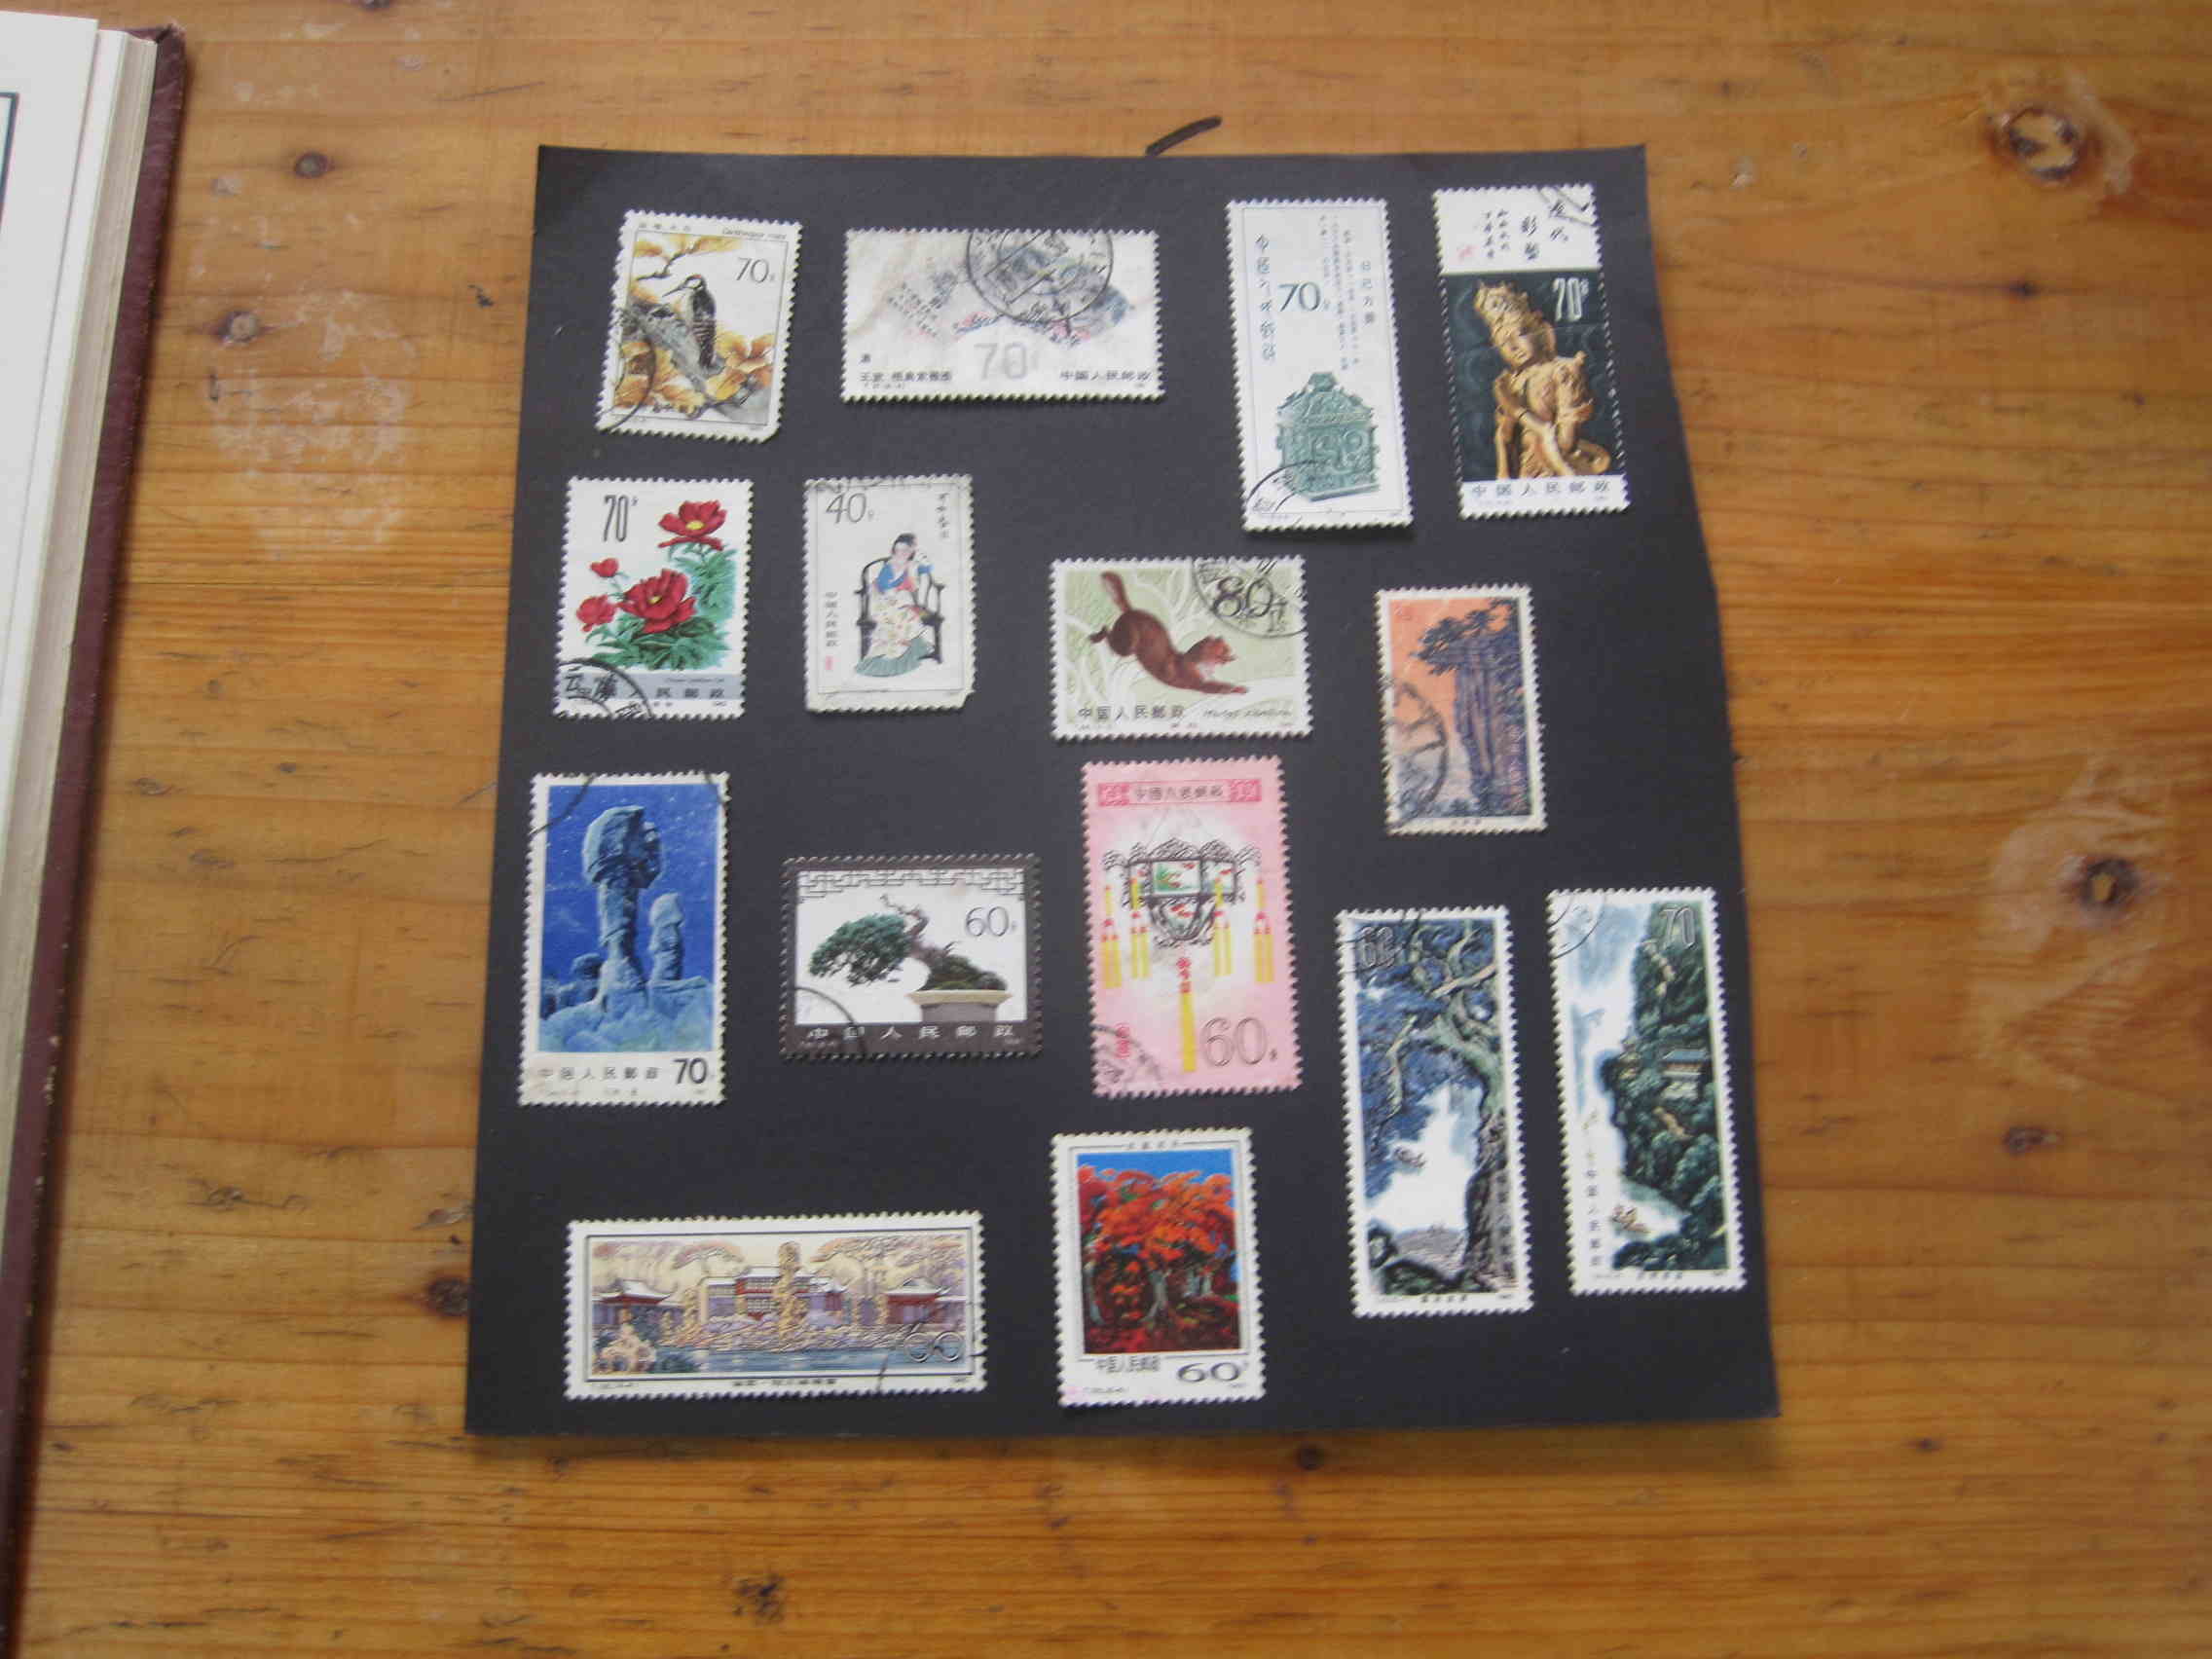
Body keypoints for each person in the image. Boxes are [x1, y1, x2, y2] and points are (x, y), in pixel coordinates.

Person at [1471, 281, 1612, 479]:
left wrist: (1517, 410)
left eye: (1520, 333)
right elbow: (1506, 441)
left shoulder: (1563, 371)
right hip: (1525, 476)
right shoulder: (1512, 382)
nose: (1513, 346)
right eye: (1503, 342)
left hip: (1558, 471)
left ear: (1541, 327)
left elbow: (1565, 444)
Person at [861, 534, 935, 674]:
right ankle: (894, 650)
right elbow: (882, 586)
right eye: (898, 550)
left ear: (911, 551)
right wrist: (894, 588)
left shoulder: (913, 566)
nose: (901, 553)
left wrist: (919, 553)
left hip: (904, 602)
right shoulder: (889, 566)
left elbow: (928, 568)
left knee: (907, 613)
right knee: (894, 615)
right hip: (886, 601)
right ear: (894, 550)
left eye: (905, 550)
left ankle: (906, 647)